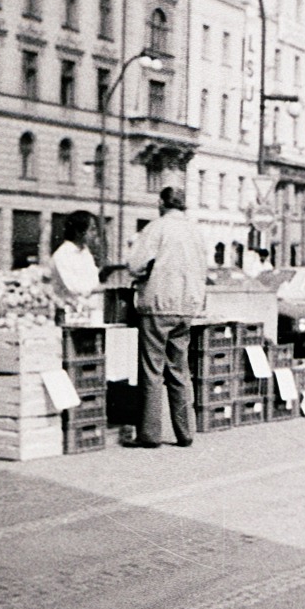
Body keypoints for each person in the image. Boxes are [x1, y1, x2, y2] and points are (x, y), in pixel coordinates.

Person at [127, 187, 208, 447]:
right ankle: (185, 433)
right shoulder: (195, 231)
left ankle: (150, 435)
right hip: (187, 307)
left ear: (162, 203)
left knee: (152, 371)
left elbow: (135, 264)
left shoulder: (156, 228)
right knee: (179, 370)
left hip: (159, 305)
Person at [47, 210, 102, 324]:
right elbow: (74, 288)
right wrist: (99, 289)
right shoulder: (62, 255)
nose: (95, 233)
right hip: (71, 318)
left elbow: (93, 280)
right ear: (78, 231)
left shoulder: (86, 252)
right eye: (92, 229)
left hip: (89, 315)